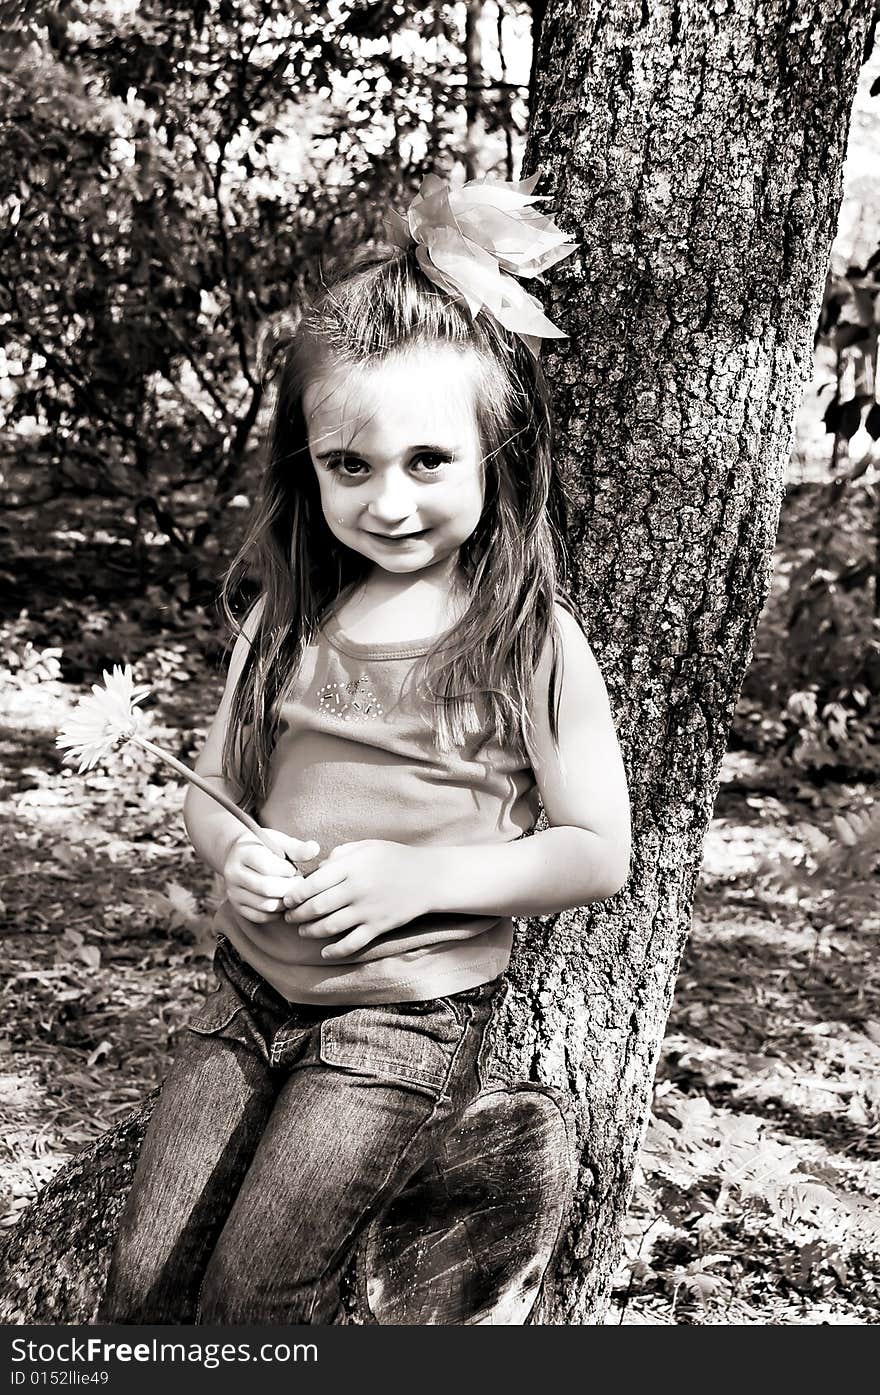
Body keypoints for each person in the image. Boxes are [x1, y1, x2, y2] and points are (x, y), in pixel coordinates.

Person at [99, 173, 631, 1326]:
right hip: (246, 992)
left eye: (428, 463)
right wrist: (228, 857)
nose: (388, 502)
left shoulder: (525, 640)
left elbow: (597, 851)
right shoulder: (287, 619)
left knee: (257, 1292)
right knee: (143, 1280)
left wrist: (418, 878)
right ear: (311, 467)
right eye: (351, 466)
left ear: (499, 456)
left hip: (403, 1012)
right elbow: (218, 792)